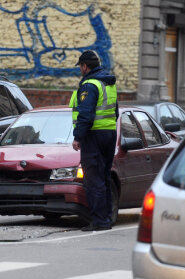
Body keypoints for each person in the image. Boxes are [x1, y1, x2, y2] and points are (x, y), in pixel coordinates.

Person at [69, 50, 118, 231]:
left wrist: (78, 137)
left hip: (94, 135)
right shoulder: (109, 83)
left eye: (80, 67)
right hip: (109, 134)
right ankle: (106, 218)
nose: (80, 70)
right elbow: (115, 111)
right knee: (104, 177)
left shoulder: (90, 85)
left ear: (85, 66)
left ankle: (99, 221)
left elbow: (86, 115)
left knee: (92, 179)